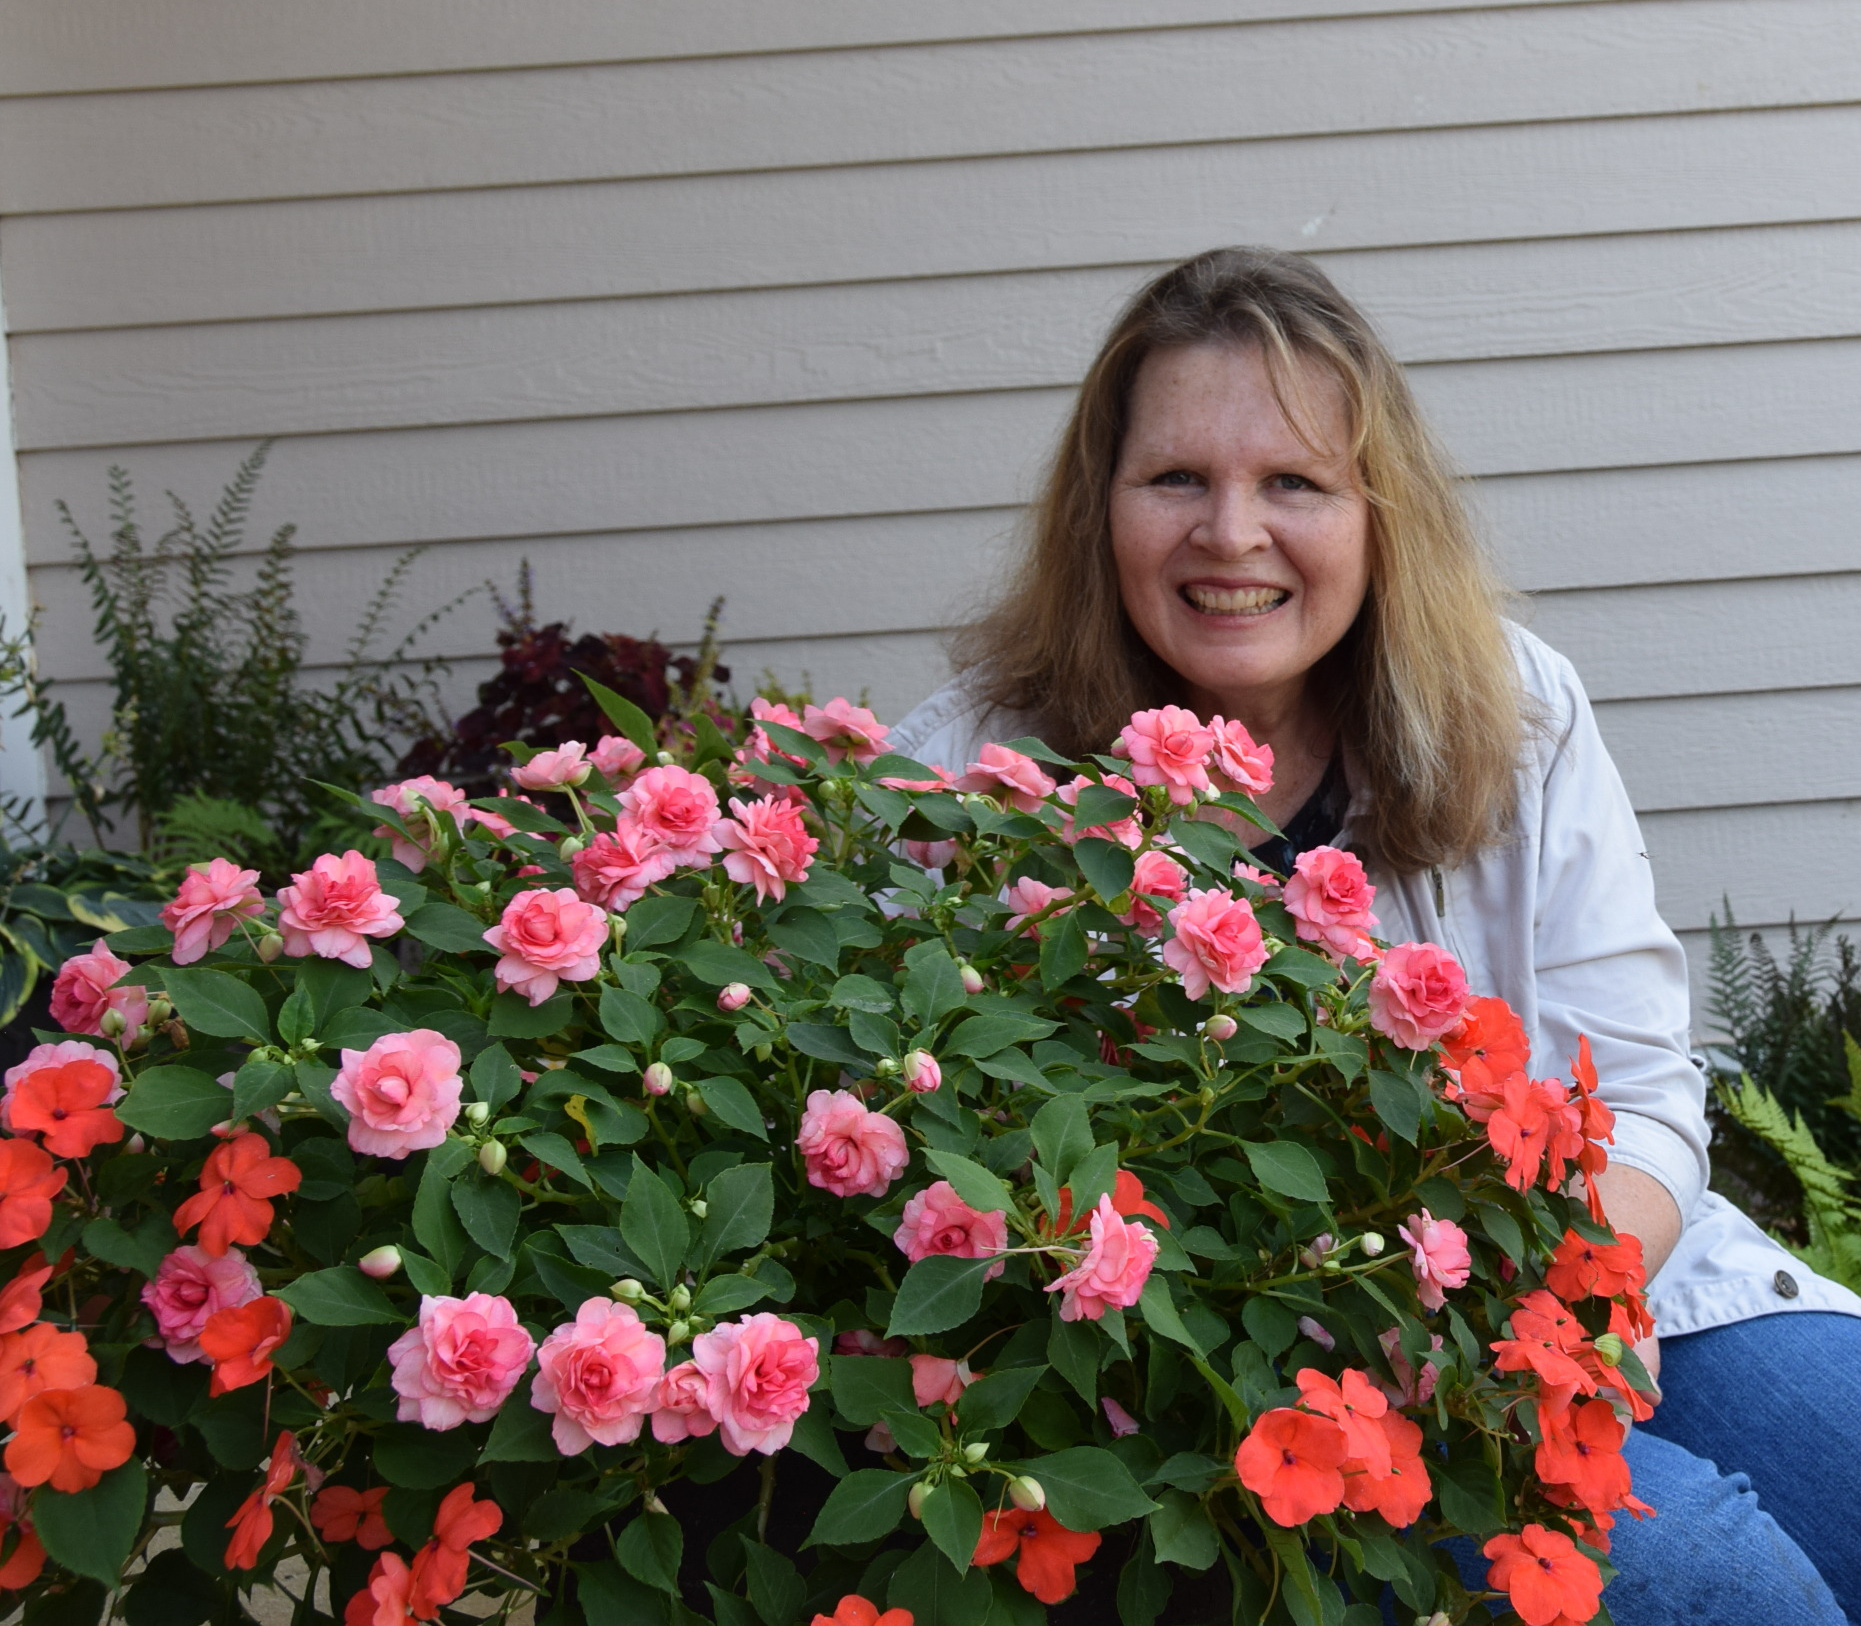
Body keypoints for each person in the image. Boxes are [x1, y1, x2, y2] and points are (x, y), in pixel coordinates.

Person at [890, 247, 1861, 1625]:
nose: (1231, 533)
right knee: (1707, 1583)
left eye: (1293, 482)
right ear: (1096, 510)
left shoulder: (1512, 709)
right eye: (1176, 478)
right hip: (1238, 1397)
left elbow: (1640, 1100)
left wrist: (1524, 1339)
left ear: (1374, 511)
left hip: (1590, 1294)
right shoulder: (976, 779)